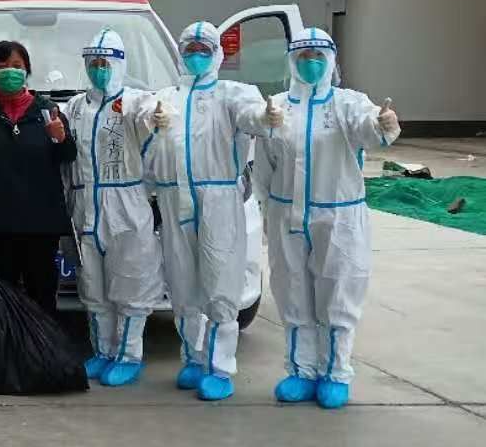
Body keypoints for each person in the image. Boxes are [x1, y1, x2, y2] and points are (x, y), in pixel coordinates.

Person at [255, 27, 398, 410]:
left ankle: (335, 373)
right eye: (303, 56)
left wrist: (383, 124)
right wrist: (266, 208)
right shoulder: (278, 107)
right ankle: (301, 371)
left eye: (319, 56)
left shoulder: (348, 103)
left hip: (338, 215)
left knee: (338, 290)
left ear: (331, 60)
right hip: (287, 213)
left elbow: (370, 128)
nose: (311, 63)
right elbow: (265, 165)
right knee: (292, 290)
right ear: (292, 61)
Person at [143, 22, 282, 401]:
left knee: (221, 280)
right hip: (175, 198)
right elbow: (147, 130)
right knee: (182, 282)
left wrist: (266, 117)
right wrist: (152, 122)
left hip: (219, 198)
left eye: (204, 49)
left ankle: (220, 367)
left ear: (218, 53)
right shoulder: (166, 96)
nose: (196, 55)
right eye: (190, 49)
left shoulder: (233, 93)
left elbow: (251, 115)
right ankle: (193, 357)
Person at [60, 29, 163, 388]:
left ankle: (129, 355)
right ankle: (102, 351)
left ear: (120, 64)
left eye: (105, 63)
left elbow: (150, 116)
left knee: (131, 282)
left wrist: (158, 117)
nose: (99, 69)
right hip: (85, 205)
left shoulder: (135, 102)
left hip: (127, 205)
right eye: (93, 63)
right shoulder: (75, 107)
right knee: (93, 285)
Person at [0, 41, 77, 324]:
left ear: (27, 71)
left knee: (41, 297)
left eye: (17, 66)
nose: (10, 71)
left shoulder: (48, 111)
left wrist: (60, 138)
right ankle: (2, 350)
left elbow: (69, 155)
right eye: (2, 66)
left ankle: (42, 349)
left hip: (39, 226)